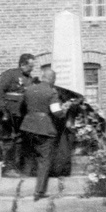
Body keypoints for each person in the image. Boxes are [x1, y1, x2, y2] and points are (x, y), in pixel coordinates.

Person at [19, 68, 69, 201]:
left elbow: (21, 108)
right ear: (52, 79)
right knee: (44, 160)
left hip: (27, 127)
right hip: (44, 128)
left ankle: (24, 183)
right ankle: (39, 191)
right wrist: (64, 110)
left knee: (32, 155)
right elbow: (56, 112)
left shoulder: (29, 89)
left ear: (42, 77)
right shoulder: (51, 92)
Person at [0, 53, 35, 177]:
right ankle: (9, 168)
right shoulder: (10, 74)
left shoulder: (29, 78)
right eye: (30, 66)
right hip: (8, 113)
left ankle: (18, 166)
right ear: (22, 64)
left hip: (21, 114)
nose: (31, 69)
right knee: (8, 140)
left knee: (20, 140)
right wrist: (2, 109)